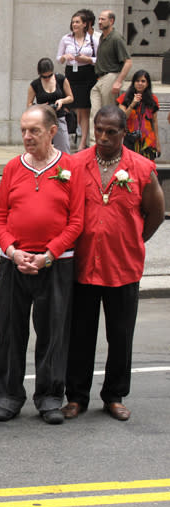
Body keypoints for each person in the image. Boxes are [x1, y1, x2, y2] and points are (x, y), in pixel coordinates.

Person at [62, 105, 165, 422]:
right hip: (83, 265)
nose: (103, 137)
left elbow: (156, 213)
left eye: (111, 132)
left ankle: (114, 395)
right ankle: (76, 396)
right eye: (99, 130)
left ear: (124, 133)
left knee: (120, 335)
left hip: (123, 267)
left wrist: (133, 239)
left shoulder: (142, 168)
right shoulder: (76, 164)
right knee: (79, 334)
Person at [0, 104, 84, 425]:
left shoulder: (70, 168)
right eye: (23, 131)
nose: (27, 137)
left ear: (52, 132)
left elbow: (76, 221)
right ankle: (9, 395)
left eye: (34, 131)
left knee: (53, 332)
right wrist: (13, 251)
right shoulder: (13, 168)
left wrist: (49, 254)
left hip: (55, 264)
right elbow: (0, 216)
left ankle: (49, 396)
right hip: (14, 263)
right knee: (11, 331)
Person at [57, 10, 98, 149]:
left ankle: (82, 142)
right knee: (69, 106)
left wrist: (87, 59)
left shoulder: (92, 39)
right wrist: (65, 57)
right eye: (73, 22)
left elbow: (98, 59)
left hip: (87, 74)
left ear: (84, 24)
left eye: (77, 22)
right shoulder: (66, 39)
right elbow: (59, 59)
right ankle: (68, 137)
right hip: (71, 74)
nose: (75, 24)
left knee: (85, 109)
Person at [89, 10, 132, 135]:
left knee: (108, 114)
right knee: (95, 113)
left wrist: (118, 81)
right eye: (99, 19)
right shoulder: (102, 37)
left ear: (111, 21)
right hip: (100, 79)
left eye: (103, 19)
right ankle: (94, 144)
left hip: (111, 76)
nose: (99, 22)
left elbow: (128, 62)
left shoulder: (116, 38)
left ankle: (108, 142)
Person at [27, 58, 74, 153]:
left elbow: (70, 97)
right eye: (44, 77)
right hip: (42, 120)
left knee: (63, 147)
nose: (47, 79)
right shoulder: (35, 84)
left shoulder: (61, 79)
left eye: (49, 75)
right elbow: (29, 104)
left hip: (58, 117)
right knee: (41, 149)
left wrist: (61, 101)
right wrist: (40, 106)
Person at [117, 70, 160, 161]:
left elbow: (154, 121)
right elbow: (122, 118)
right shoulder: (124, 98)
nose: (140, 83)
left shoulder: (153, 99)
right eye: (137, 81)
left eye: (143, 81)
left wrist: (157, 142)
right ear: (133, 83)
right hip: (129, 139)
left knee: (147, 168)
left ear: (147, 83)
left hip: (147, 140)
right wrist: (132, 104)